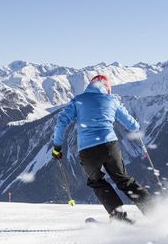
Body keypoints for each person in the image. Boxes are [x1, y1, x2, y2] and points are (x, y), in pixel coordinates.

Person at [51, 74, 153, 221]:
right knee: (124, 180)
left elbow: (61, 122)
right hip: (109, 146)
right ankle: (153, 211)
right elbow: (132, 125)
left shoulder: (78, 100)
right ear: (107, 88)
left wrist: (57, 147)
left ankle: (118, 217)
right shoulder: (112, 100)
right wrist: (136, 124)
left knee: (96, 182)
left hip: (87, 150)